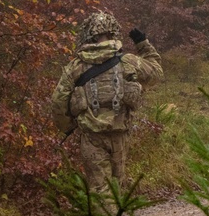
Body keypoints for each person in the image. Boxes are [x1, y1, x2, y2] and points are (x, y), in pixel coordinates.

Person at [51, 11, 163, 191]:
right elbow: (156, 73)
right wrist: (143, 44)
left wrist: (68, 127)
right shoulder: (128, 61)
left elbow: (58, 102)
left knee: (99, 189)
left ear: (89, 35)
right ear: (113, 34)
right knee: (118, 185)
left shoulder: (76, 66)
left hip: (91, 136)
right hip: (120, 133)